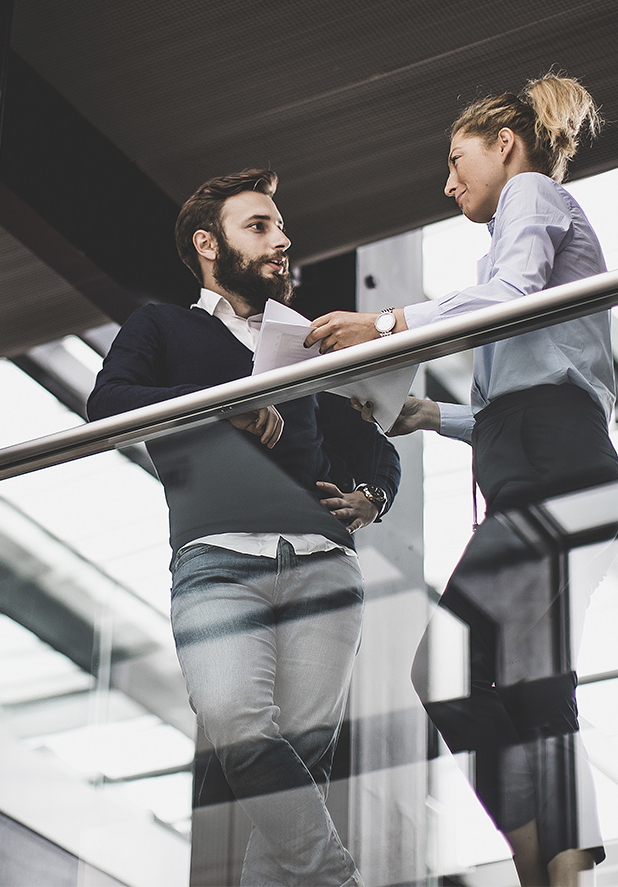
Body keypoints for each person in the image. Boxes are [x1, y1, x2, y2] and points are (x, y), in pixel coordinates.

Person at [304, 74, 618, 886]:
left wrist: (385, 324)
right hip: (551, 465)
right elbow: (516, 395)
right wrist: (425, 416)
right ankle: (560, 874)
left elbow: (508, 297)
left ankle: (527, 851)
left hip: (551, 472)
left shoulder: (531, 196)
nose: (448, 184)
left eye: (456, 161)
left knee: (444, 666)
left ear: (505, 146)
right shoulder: (514, 241)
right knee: (536, 687)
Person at [88, 168, 401, 887]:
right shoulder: (163, 327)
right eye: (259, 226)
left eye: (279, 226)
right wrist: (219, 402)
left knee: (298, 771)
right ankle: (337, 880)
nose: (282, 239)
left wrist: (373, 498)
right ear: (208, 244)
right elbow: (107, 407)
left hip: (323, 564)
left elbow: (371, 449)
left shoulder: (305, 341)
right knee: (236, 721)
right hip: (217, 564)